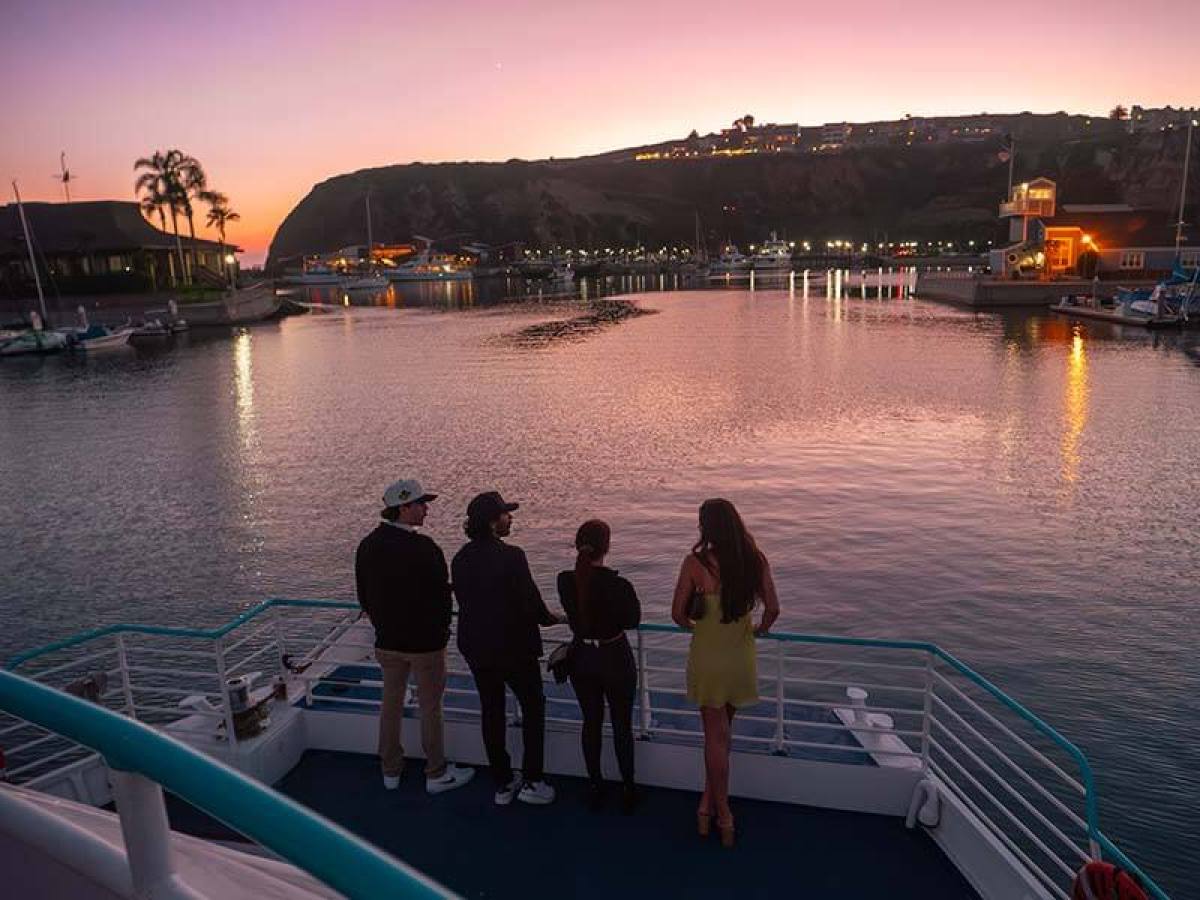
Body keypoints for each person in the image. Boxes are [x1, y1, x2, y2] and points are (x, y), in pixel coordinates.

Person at [354, 478, 475, 795]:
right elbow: (442, 597)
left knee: (390, 704)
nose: (426, 509)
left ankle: (390, 771)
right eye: (421, 504)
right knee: (430, 708)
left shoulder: (367, 545)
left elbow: (363, 596)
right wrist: (441, 632)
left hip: (387, 643)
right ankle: (435, 773)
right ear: (403, 507)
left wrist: (382, 624)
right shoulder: (425, 548)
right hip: (425, 646)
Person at [671, 498, 779, 847]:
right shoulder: (754, 560)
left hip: (707, 655)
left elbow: (677, 615)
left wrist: (700, 625)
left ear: (706, 527)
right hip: (740, 656)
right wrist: (758, 629)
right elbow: (773, 609)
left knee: (714, 737)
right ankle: (706, 806)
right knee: (723, 735)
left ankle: (722, 816)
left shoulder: (694, 563)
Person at [452, 491, 563, 806]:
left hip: (476, 648)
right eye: (506, 514)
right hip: (515, 649)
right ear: (492, 522)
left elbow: (467, 602)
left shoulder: (460, 559)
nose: (510, 518)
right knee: (533, 708)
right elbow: (533, 605)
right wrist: (555, 618)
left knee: (491, 711)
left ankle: (502, 782)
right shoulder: (513, 556)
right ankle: (532, 780)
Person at [556, 519, 641, 813]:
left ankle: (595, 785)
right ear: (607, 547)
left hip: (582, 659)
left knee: (591, 723)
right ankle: (628, 788)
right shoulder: (619, 585)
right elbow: (633, 620)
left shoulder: (565, 581)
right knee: (622, 726)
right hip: (615, 657)